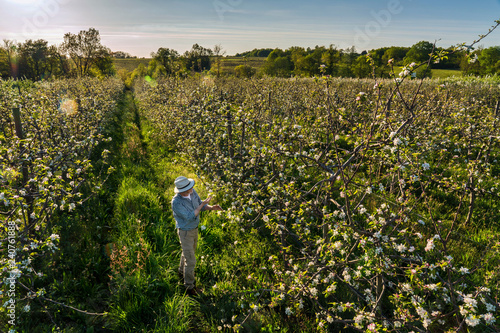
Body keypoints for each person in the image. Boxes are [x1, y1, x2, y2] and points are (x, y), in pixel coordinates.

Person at [171, 176, 222, 295]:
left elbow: (200, 205)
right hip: (185, 232)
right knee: (191, 260)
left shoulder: (193, 193)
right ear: (182, 191)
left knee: (188, 252)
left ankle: (181, 272)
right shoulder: (176, 202)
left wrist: (211, 207)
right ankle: (189, 287)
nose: (192, 188)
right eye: (189, 187)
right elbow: (189, 217)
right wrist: (202, 205)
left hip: (194, 229)